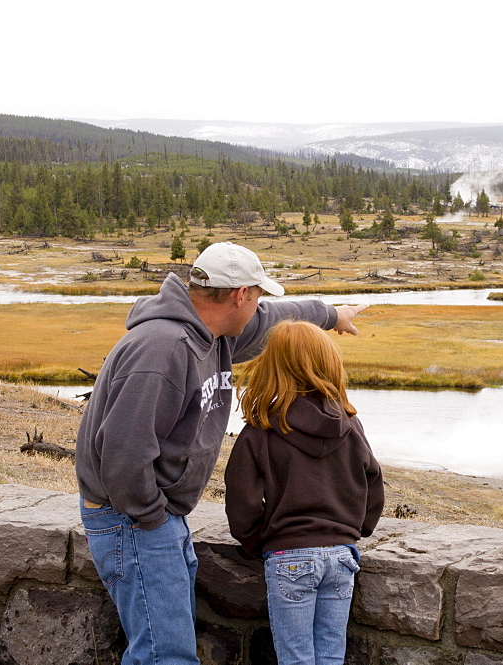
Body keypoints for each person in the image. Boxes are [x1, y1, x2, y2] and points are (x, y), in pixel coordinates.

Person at [75, 241, 367, 665]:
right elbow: (123, 453)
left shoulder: (212, 334)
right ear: (239, 294)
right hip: (132, 520)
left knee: (165, 648)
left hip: (154, 517)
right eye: (258, 294)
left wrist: (331, 315)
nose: (260, 306)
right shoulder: (164, 347)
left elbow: (274, 319)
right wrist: (153, 518)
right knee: (165, 655)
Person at [225, 320, 384, 665]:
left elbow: (241, 502)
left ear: (272, 366)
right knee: (331, 657)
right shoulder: (350, 423)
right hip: (342, 555)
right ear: (329, 363)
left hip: (288, 557)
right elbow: (372, 483)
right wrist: (354, 531)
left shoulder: (261, 428)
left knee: (295, 659)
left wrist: (258, 542)